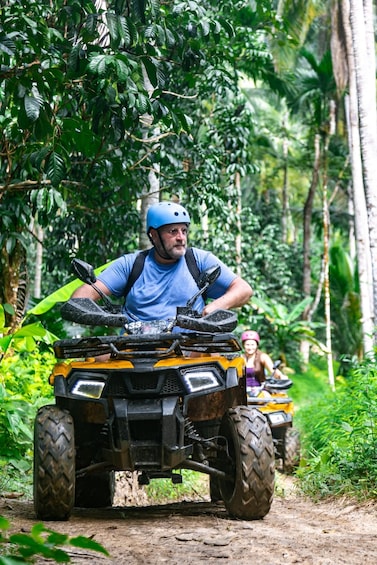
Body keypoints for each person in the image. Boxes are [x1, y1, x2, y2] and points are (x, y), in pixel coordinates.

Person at [72, 202, 253, 325]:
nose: (181, 237)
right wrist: (99, 315)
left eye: (184, 231)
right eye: (173, 231)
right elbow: (82, 295)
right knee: (94, 366)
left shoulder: (198, 260)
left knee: (223, 366)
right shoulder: (131, 264)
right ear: (154, 235)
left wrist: (215, 306)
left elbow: (243, 289)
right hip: (133, 350)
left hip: (191, 350)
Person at [241, 330, 287, 395]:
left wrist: (282, 376)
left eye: (252, 345)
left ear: (257, 345)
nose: (250, 347)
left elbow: (273, 371)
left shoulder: (262, 357)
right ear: (243, 345)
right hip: (242, 391)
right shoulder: (240, 358)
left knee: (270, 400)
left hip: (260, 390)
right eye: (247, 345)